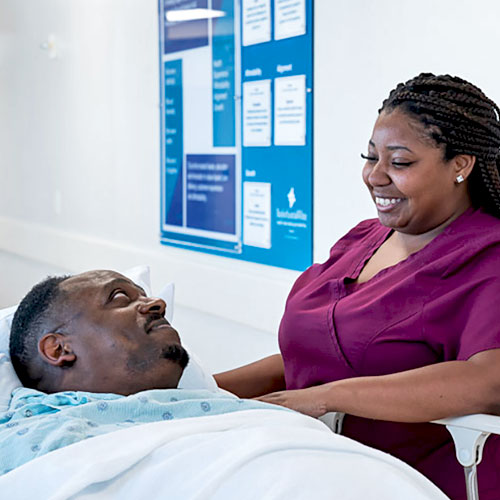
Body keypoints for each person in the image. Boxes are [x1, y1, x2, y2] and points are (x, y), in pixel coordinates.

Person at [214, 73, 500, 500]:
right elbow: (312, 357)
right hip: (316, 471)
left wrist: (329, 398)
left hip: (422, 483)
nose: (375, 176)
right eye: (370, 157)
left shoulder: (488, 257)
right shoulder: (364, 239)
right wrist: (200, 391)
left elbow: (488, 381)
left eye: (400, 163)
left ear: (460, 165)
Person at [9, 270, 190, 395]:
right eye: (119, 296)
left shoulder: (200, 410)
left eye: (144, 296)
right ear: (59, 349)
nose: (158, 303)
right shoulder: (44, 434)